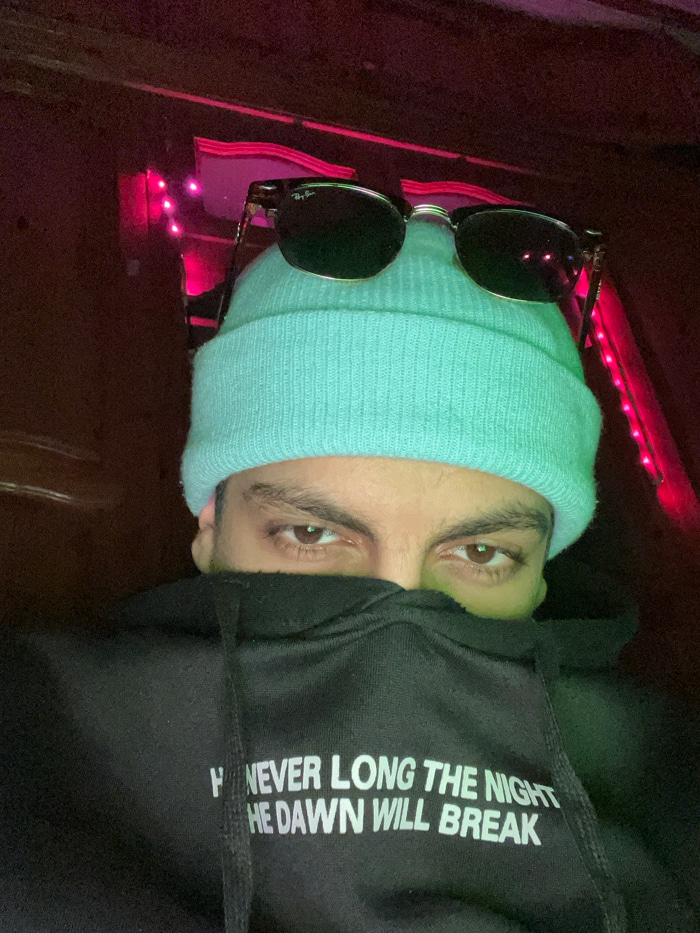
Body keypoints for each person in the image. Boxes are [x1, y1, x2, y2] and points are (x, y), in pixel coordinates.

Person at [1, 196, 698, 933]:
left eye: (481, 552)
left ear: (542, 574)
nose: (397, 612)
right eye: (311, 532)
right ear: (210, 528)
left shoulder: (664, 773)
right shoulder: (35, 737)